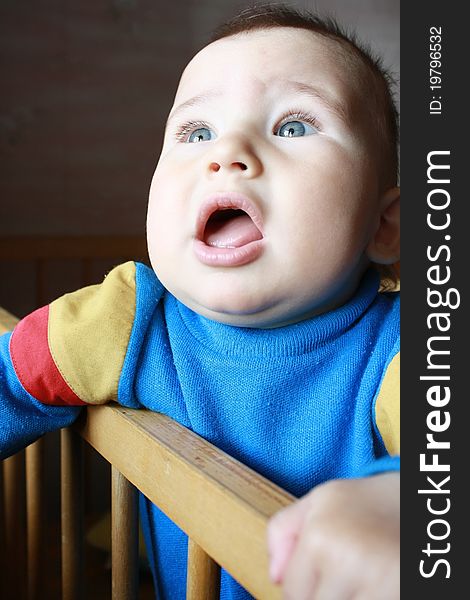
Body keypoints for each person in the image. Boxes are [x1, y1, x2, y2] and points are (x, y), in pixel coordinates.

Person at [0, 4, 400, 598]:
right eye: (197, 132)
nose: (227, 153)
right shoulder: (124, 317)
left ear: (384, 226)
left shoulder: (402, 344)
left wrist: (397, 499)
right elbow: (12, 377)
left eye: (293, 126)